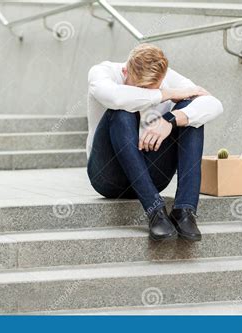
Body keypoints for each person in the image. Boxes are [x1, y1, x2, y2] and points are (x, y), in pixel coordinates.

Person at [86, 44, 223, 241]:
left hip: (152, 175)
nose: (146, 95)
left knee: (190, 113)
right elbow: (115, 97)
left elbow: (214, 104)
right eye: (140, 89)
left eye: (154, 89)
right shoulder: (103, 72)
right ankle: (155, 210)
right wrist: (164, 94)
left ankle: (185, 210)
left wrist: (170, 120)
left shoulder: (169, 77)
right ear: (126, 70)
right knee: (122, 110)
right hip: (107, 176)